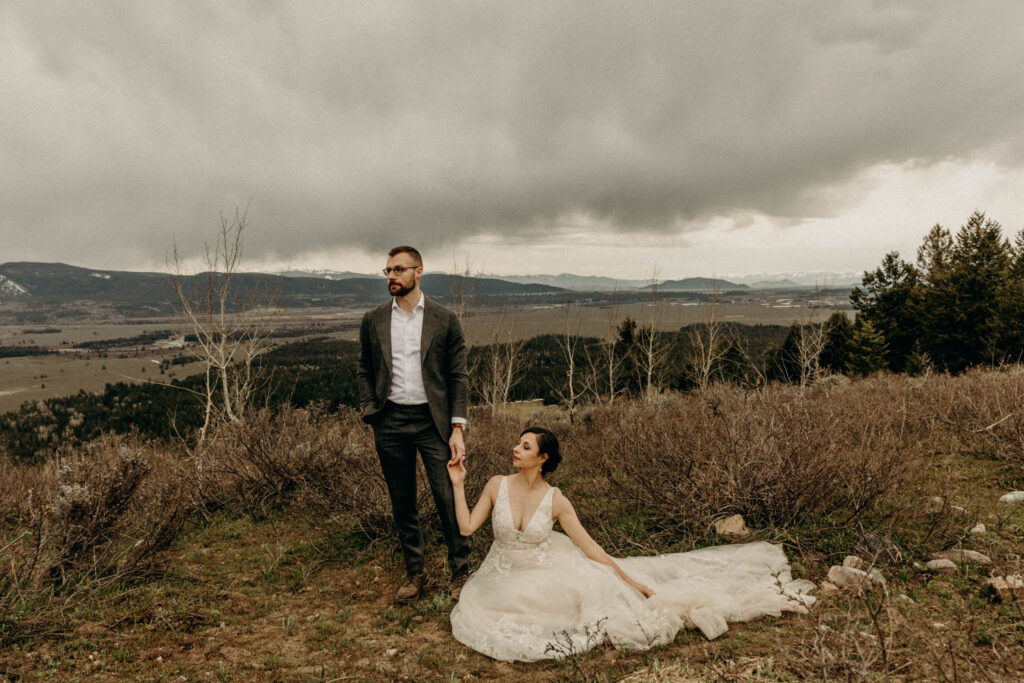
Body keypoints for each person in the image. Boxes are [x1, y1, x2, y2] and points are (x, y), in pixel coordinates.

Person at [447, 427, 816, 662]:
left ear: (543, 458)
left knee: (592, 592)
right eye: (518, 443)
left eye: (525, 446)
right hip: (503, 575)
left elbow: (591, 548)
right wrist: (459, 483)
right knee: (504, 608)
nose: (516, 449)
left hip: (548, 571)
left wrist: (630, 580)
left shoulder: (556, 500)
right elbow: (465, 528)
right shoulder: (497, 484)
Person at [357, 245, 471, 603]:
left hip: (432, 421)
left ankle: (461, 571)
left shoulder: (444, 318)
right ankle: (415, 573)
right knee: (402, 501)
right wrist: (370, 411)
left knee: (446, 495)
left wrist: (457, 428)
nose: (391, 276)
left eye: (399, 270)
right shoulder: (373, 319)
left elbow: (458, 376)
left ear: (418, 272)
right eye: (388, 271)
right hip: (389, 421)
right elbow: (364, 368)